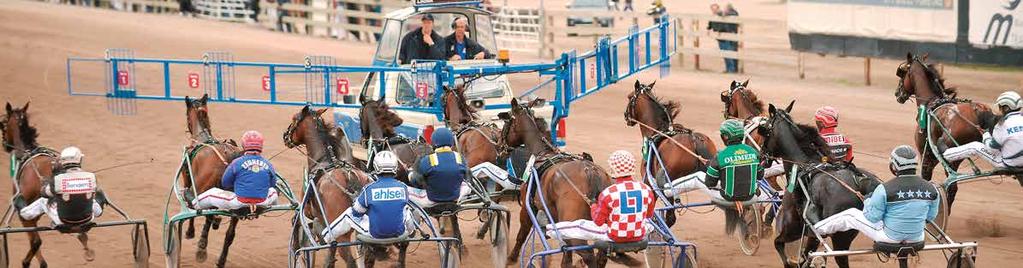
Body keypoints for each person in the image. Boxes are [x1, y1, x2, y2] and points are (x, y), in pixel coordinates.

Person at [813, 145, 940, 243]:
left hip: (889, 237)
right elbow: (930, 217)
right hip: (917, 238)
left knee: (850, 215)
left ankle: (816, 229)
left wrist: (868, 200)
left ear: (894, 166)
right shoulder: (932, 189)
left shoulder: (884, 189)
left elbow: (872, 217)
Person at [545, 150, 655, 242]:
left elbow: (598, 221)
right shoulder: (646, 189)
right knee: (650, 223)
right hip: (640, 234)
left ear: (613, 168)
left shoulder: (608, 193)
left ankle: (548, 229)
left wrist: (593, 206)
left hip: (614, 236)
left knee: (577, 226)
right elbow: (648, 215)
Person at [322, 151, 415, 241]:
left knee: (349, 214)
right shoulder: (403, 187)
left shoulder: (369, 189)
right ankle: (411, 231)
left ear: (376, 167)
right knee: (406, 209)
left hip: (375, 233)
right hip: (399, 232)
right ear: (395, 167)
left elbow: (356, 212)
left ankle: (326, 236)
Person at [664, 119, 763, 202]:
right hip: (750, 196)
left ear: (725, 137)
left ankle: (668, 189)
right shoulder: (753, 152)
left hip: (727, 197)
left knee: (697, 177)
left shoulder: (720, 156)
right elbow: (760, 175)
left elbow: (710, 183)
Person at [193, 131, 279, 210]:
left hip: (239, 202)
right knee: (273, 191)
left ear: (244, 144)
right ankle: (273, 206)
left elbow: (225, 183)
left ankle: (193, 203)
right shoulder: (268, 163)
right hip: (263, 202)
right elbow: (272, 184)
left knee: (212, 193)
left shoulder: (236, 162)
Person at [19, 147, 104, 226]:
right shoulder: (91, 176)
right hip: (88, 219)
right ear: (79, 160)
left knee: (43, 201)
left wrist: (46, 183)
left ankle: (25, 213)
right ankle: (99, 211)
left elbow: (45, 193)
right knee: (90, 199)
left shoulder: (57, 180)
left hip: (63, 220)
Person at [944, 91, 1023, 169]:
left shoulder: (1001, 125)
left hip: (1008, 164)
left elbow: (991, 149)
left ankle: (946, 154)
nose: (1000, 109)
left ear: (1006, 108)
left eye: (1000, 107)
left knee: (975, 146)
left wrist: (986, 135)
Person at [408, 128, 472, 208]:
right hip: (455, 198)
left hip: (431, 200)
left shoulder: (428, 159)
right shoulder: (459, 157)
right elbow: (468, 176)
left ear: (434, 142)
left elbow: (416, 181)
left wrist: (410, 174)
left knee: (403, 189)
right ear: (451, 142)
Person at [708, 3, 740, 73]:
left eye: (715, 9)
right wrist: (708, 28)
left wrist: (725, 13)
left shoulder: (723, 14)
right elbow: (710, 24)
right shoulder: (714, 16)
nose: (714, 11)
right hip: (720, 38)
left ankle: (732, 69)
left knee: (728, 53)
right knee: (725, 54)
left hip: (726, 37)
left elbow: (734, 15)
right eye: (713, 9)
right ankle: (728, 69)